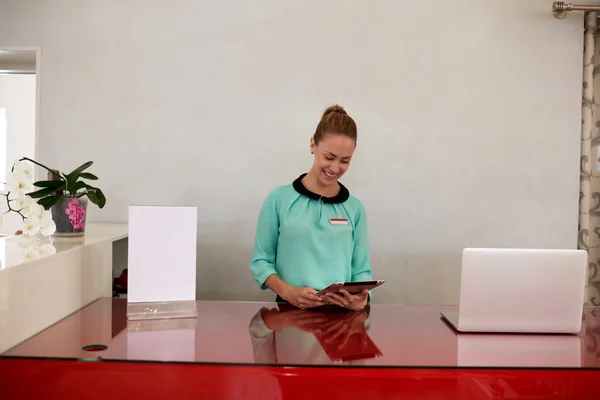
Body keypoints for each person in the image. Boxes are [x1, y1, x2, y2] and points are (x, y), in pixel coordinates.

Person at [249, 104, 372, 311]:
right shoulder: (279, 200)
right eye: (329, 157)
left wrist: (360, 300)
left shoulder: (355, 209)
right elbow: (261, 262)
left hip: (341, 325)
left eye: (345, 161)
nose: (335, 168)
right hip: (288, 317)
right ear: (313, 144)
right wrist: (288, 292)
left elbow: (361, 272)